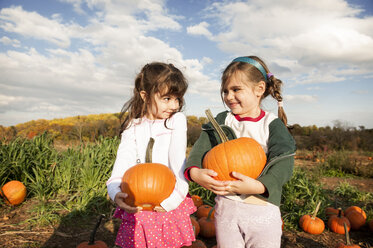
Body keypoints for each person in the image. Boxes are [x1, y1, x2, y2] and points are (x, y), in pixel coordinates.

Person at [185, 56, 296, 247]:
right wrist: (194, 172)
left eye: (236, 90)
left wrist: (260, 186)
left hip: (262, 208)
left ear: (259, 89)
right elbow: (200, 149)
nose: (229, 96)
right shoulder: (222, 120)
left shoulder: (272, 125)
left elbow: (283, 161)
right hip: (226, 207)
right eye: (225, 91)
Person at [107, 62, 196, 248]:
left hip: (167, 200)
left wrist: (174, 199)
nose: (174, 105)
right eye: (167, 98)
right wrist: (115, 192)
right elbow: (122, 163)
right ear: (145, 96)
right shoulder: (133, 127)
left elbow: (179, 162)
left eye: (177, 99)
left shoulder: (175, 121)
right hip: (137, 203)